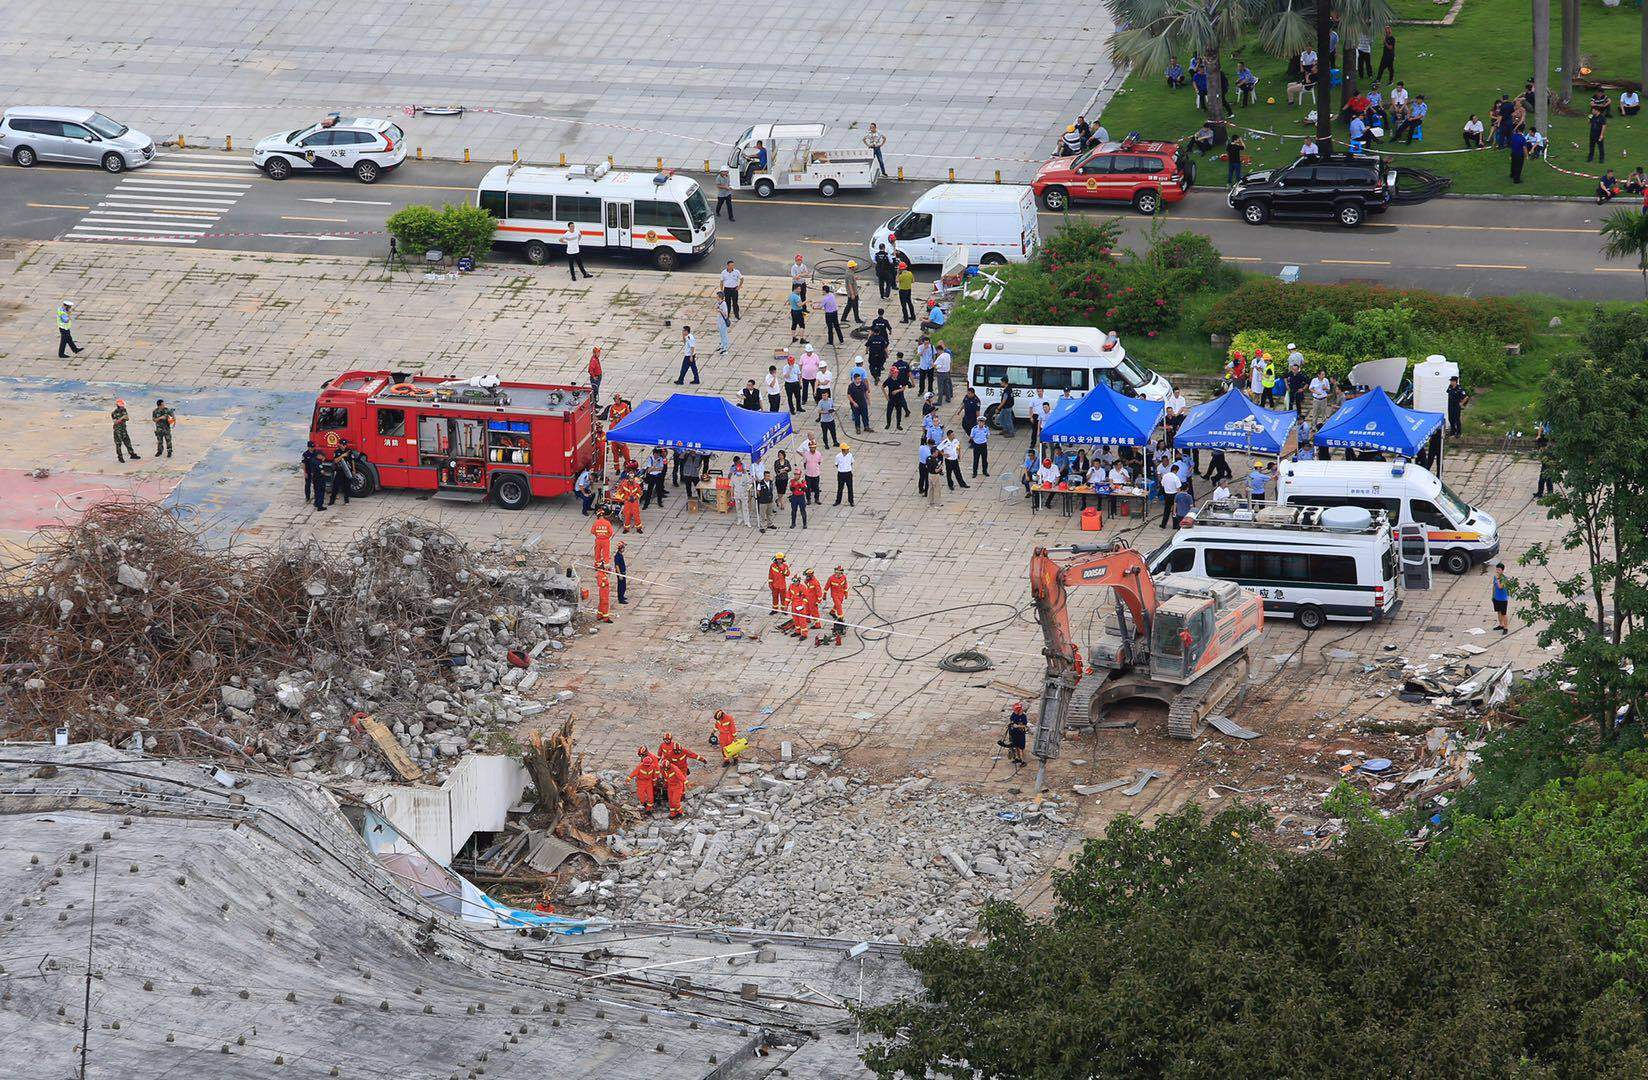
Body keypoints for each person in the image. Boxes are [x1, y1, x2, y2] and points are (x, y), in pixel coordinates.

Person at [629, 747, 661, 811]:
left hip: (652, 776)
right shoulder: (645, 757)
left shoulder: (652, 758)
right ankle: (647, 801)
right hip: (647, 776)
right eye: (640, 755)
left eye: (642, 755)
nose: (641, 757)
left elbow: (656, 769)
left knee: (653, 789)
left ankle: (655, 799)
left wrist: (655, 779)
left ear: (646, 753)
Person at [801, 436, 823, 504]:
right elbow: (804, 463)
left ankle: (817, 499)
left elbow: (819, 462)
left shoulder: (818, 454)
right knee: (808, 488)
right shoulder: (806, 454)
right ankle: (808, 499)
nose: (812, 448)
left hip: (816, 474)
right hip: (808, 474)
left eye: (813, 447)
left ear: (815, 447)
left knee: (816, 488)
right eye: (811, 447)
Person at [1491, 562, 1510, 634]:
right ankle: (1501, 625)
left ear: (1502, 570)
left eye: (1499, 570)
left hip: (1503, 599)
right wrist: (1493, 596)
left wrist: (1498, 580)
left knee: (1504, 614)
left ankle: (1506, 627)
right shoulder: (1495, 577)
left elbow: (1500, 587)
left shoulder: (1503, 579)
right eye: (1497, 569)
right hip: (1496, 598)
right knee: (1498, 612)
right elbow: (1494, 586)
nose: (1497, 571)